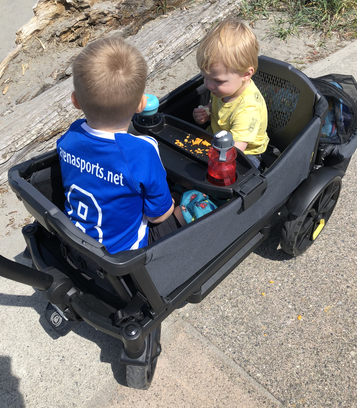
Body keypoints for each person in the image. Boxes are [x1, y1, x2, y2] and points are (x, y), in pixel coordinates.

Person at [57, 36, 184, 254]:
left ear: (75, 101)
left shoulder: (70, 137)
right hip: (126, 255)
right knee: (185, 207)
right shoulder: (142, 152)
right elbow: (158, 216)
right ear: (140, 105)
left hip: (81, 243)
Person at [192, 18, 269, 168]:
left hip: (245, 153)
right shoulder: (224, 89)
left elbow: (233, 152)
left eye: (217, 81)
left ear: (246, 74)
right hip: (217, 138)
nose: (208, 85)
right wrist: (207, 113)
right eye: (204, 77)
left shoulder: (248, 110)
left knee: (226, 176)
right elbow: (218, 107)